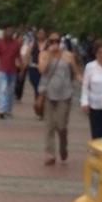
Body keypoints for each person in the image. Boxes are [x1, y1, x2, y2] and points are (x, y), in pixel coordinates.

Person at [37, 34, 80, 165]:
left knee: (61, 126)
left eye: (57, 40)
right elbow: (42, 70)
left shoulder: (68, 55)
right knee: (49, 125)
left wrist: (87, 83)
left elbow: (76, 73)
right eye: (52, 41)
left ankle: (63, 146)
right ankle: (50, 154)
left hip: (65, 95)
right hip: (48, 94)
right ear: (48, 42)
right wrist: (50, 56)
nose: (54, 43)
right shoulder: (44, 54)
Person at [0, 27, 23, 118]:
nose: (9, 35)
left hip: (12, 70)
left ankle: (8, 110)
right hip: (2, 70)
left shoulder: (16, 44)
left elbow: (18, 57)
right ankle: (1, 110)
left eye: (11, 33)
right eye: (7, 33)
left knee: (10, 91)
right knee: (2, 90)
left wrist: (21, 70)